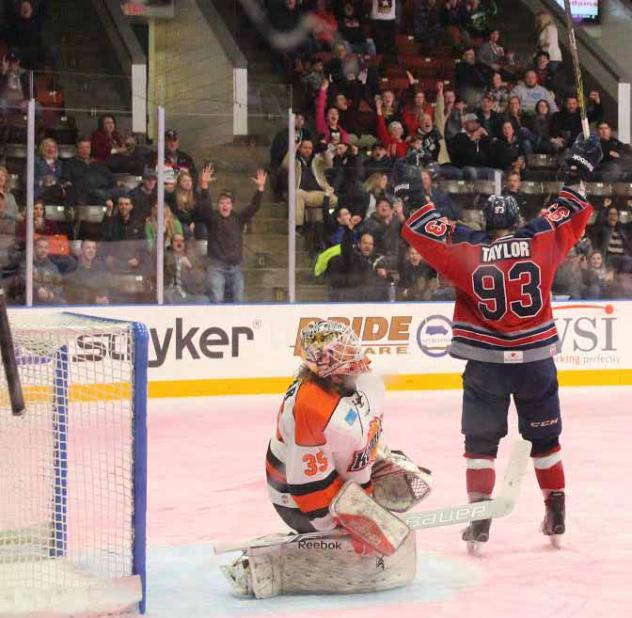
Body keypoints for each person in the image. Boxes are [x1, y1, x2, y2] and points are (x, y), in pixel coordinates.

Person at [402, 134, 603, 551]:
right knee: (546, 441)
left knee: (480, 445)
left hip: (485, 366)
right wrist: (578, 173)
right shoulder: (538, 238)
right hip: (535, 363)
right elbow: (568, 210)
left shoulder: (465, 248)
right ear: (515, 218)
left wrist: (413, 193)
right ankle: (557, 512)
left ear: (485, 221)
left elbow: (425, 228)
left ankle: (479, 522)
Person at [222, 320, 431, 598]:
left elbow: (364, 431)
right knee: (363, 556)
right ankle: (281, 561)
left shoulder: (357, 385)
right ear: (327, 367)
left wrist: (374, 473)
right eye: (345, 353)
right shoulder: (312, 410)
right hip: (294, 499)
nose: (355, 358)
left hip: (334, 472)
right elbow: (307, 489)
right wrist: (344, 527)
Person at [195, 169, 267, 303]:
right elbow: (205, 206)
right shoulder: (213, 218)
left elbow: (253, 206)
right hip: (216, 268)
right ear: (218, 205)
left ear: (232, 205)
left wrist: (260, 189)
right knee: (217, 299)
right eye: (222, 202)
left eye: (228, 202)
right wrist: (204, 186)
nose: (225, 205)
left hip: (235, 268)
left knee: (239, 301)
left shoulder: (238, 218)